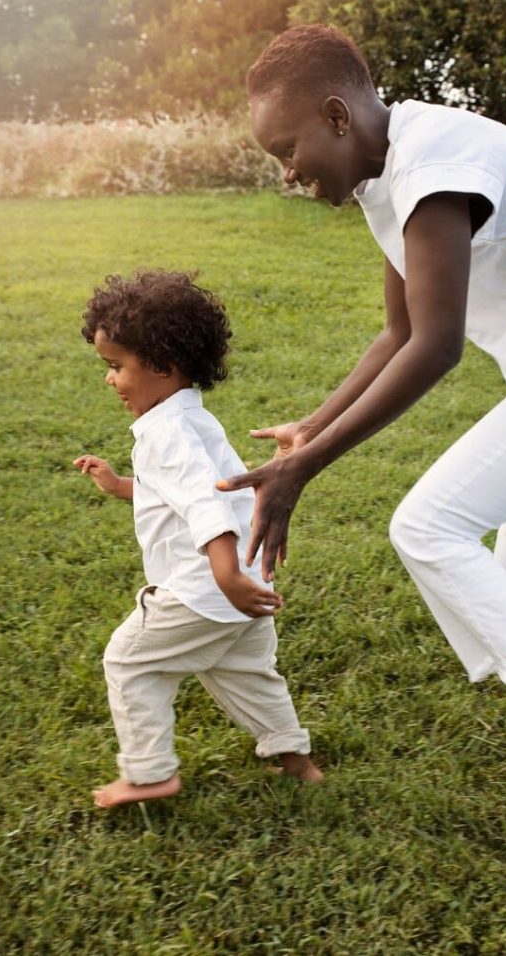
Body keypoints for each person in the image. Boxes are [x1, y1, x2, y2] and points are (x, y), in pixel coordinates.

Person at [216, 24, 506, 853]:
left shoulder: (439, 160)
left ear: (337, 115)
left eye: (287, 148)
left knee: (427, 525)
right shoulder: (389, 177)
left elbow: (437, 347)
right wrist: (315, 423)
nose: (286, 173)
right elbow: (397, 330)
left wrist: (304, 467)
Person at [74, 269, 322, 808]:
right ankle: (294, 757)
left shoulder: (165, 434)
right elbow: (189, 492)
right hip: (243, 586)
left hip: (208, 587)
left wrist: (225, 575)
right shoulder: (191, 421)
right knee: (245, 672)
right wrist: (119, 485)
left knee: (129, 662)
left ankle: (148, 773)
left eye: (117, 367)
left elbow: (206, 507)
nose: (110, 380)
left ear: (163, 365)